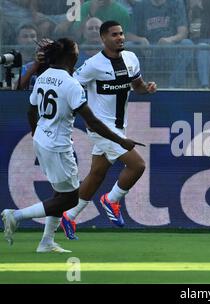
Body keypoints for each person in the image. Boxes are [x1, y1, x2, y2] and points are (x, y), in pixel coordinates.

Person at [1, 37, 140, 252]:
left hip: (42, 139)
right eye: (76, 50)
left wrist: (36, 133)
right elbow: (92, 121)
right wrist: (122, 141)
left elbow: (31, 110)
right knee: (69, 199)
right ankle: (16, 215)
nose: (78, 53)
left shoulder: (44, 77)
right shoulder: (71, 84)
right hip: (58, 146)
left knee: (61, 193)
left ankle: (46, 242)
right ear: (71, 56)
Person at [60, 20, 157, 240]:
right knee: (138, 165)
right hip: (101, 128)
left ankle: (70, 215)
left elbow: (137, 86)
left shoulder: (131, 58)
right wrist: (78, 112)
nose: (120, 37)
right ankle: (111, 200)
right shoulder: (93, 64)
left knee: (96, 174)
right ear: (103, 38)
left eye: (121, 33)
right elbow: (71, 85)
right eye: (114, 35)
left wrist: (147, 88)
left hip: (119, 126)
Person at [127, 0, 194, 88]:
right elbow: (128, 35)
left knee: (187, 44)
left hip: (170, 51)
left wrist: (170, 40)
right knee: (129, 45)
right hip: (148, 54)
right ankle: (138, 86)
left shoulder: (176, 3)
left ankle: (173, 86)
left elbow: (183, 32)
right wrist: (141, 40)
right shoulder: (141, 6)